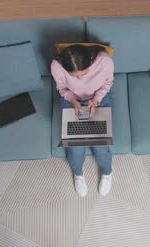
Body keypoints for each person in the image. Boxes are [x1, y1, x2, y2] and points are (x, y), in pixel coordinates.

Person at [51, 44, 114, 197]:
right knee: (76, 147)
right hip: (71, 101)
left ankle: (107, 172)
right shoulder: (56, 66)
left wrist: (96, 100)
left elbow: (107, 83)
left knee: (100, 147)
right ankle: (78, 174)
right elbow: (62, 90)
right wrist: (73, 101)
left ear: (91, 61)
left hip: (99, 99)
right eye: (73, 75)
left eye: (83, 74)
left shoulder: (104, 61)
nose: (78, 78)